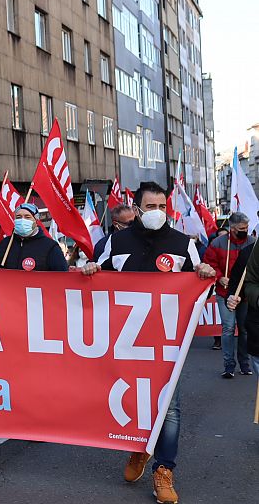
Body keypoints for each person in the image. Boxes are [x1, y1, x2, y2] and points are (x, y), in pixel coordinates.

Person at [82, 182, 216, 504]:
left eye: (161, 207)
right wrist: (89, 270)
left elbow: (202, 291)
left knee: (169, 406)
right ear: (137, 209)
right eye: (150, 207)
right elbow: (95, 277)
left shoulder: (183, 244)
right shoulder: (115, 242)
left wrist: (205, 274)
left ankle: (164, 470)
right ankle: (139, 448)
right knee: (131, 400)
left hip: (168, 342)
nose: (157, 212)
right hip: (125, 340)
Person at [203, 212, 255, 377]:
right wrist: (219, 277)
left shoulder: (253, 243)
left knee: (244, 329)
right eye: (241, 228)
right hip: (224, 293)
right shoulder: (218, 243)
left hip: (245, 294)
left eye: (246, 228)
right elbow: (209, 263)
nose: (245, 231)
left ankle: (244, 364)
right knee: (228, 328)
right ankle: (229, 366)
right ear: (232, 228)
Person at [0, 203, 68, 271]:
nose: (22, 220)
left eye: (27, 217)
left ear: (36, 221)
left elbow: (61, 275)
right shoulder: (5, 243)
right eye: (18, 217)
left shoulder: (50, 246)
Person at [226, 244, 259, 377]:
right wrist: (233, 295)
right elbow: (242, 281)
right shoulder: (251, 251)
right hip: (256, 321)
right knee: (228, 328)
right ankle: (230, 364)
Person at [208, 228, 229, 350]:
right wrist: (219, 277)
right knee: (218, 317)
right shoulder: (213, 248)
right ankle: (217, 340)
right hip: (217, 288)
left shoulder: (235, 248)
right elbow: (209, 264)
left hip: (232, 288)